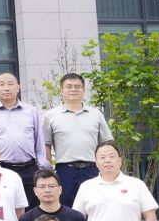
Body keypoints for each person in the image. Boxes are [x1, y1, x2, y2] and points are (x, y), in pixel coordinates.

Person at [43, 72, 113, 201]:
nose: (73, 89)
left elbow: (107, 143)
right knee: (66, 207)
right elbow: (46, 144)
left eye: (77, 86)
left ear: (83, 90)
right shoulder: (51, 116)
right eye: (69, 86)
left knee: (94, 204)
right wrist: (48, 172)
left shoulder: (96, 114)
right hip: (65, 172)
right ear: (61, 90)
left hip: (93, 170)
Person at [0, 71, 47, 199]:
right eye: (2, 84)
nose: (6, 88)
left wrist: (41, 167)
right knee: (4, 204)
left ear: (18, 87)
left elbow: (39, 142)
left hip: (29, 170)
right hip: (1, 169)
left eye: (10, 84)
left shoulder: (31, 111)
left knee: (31, 207)